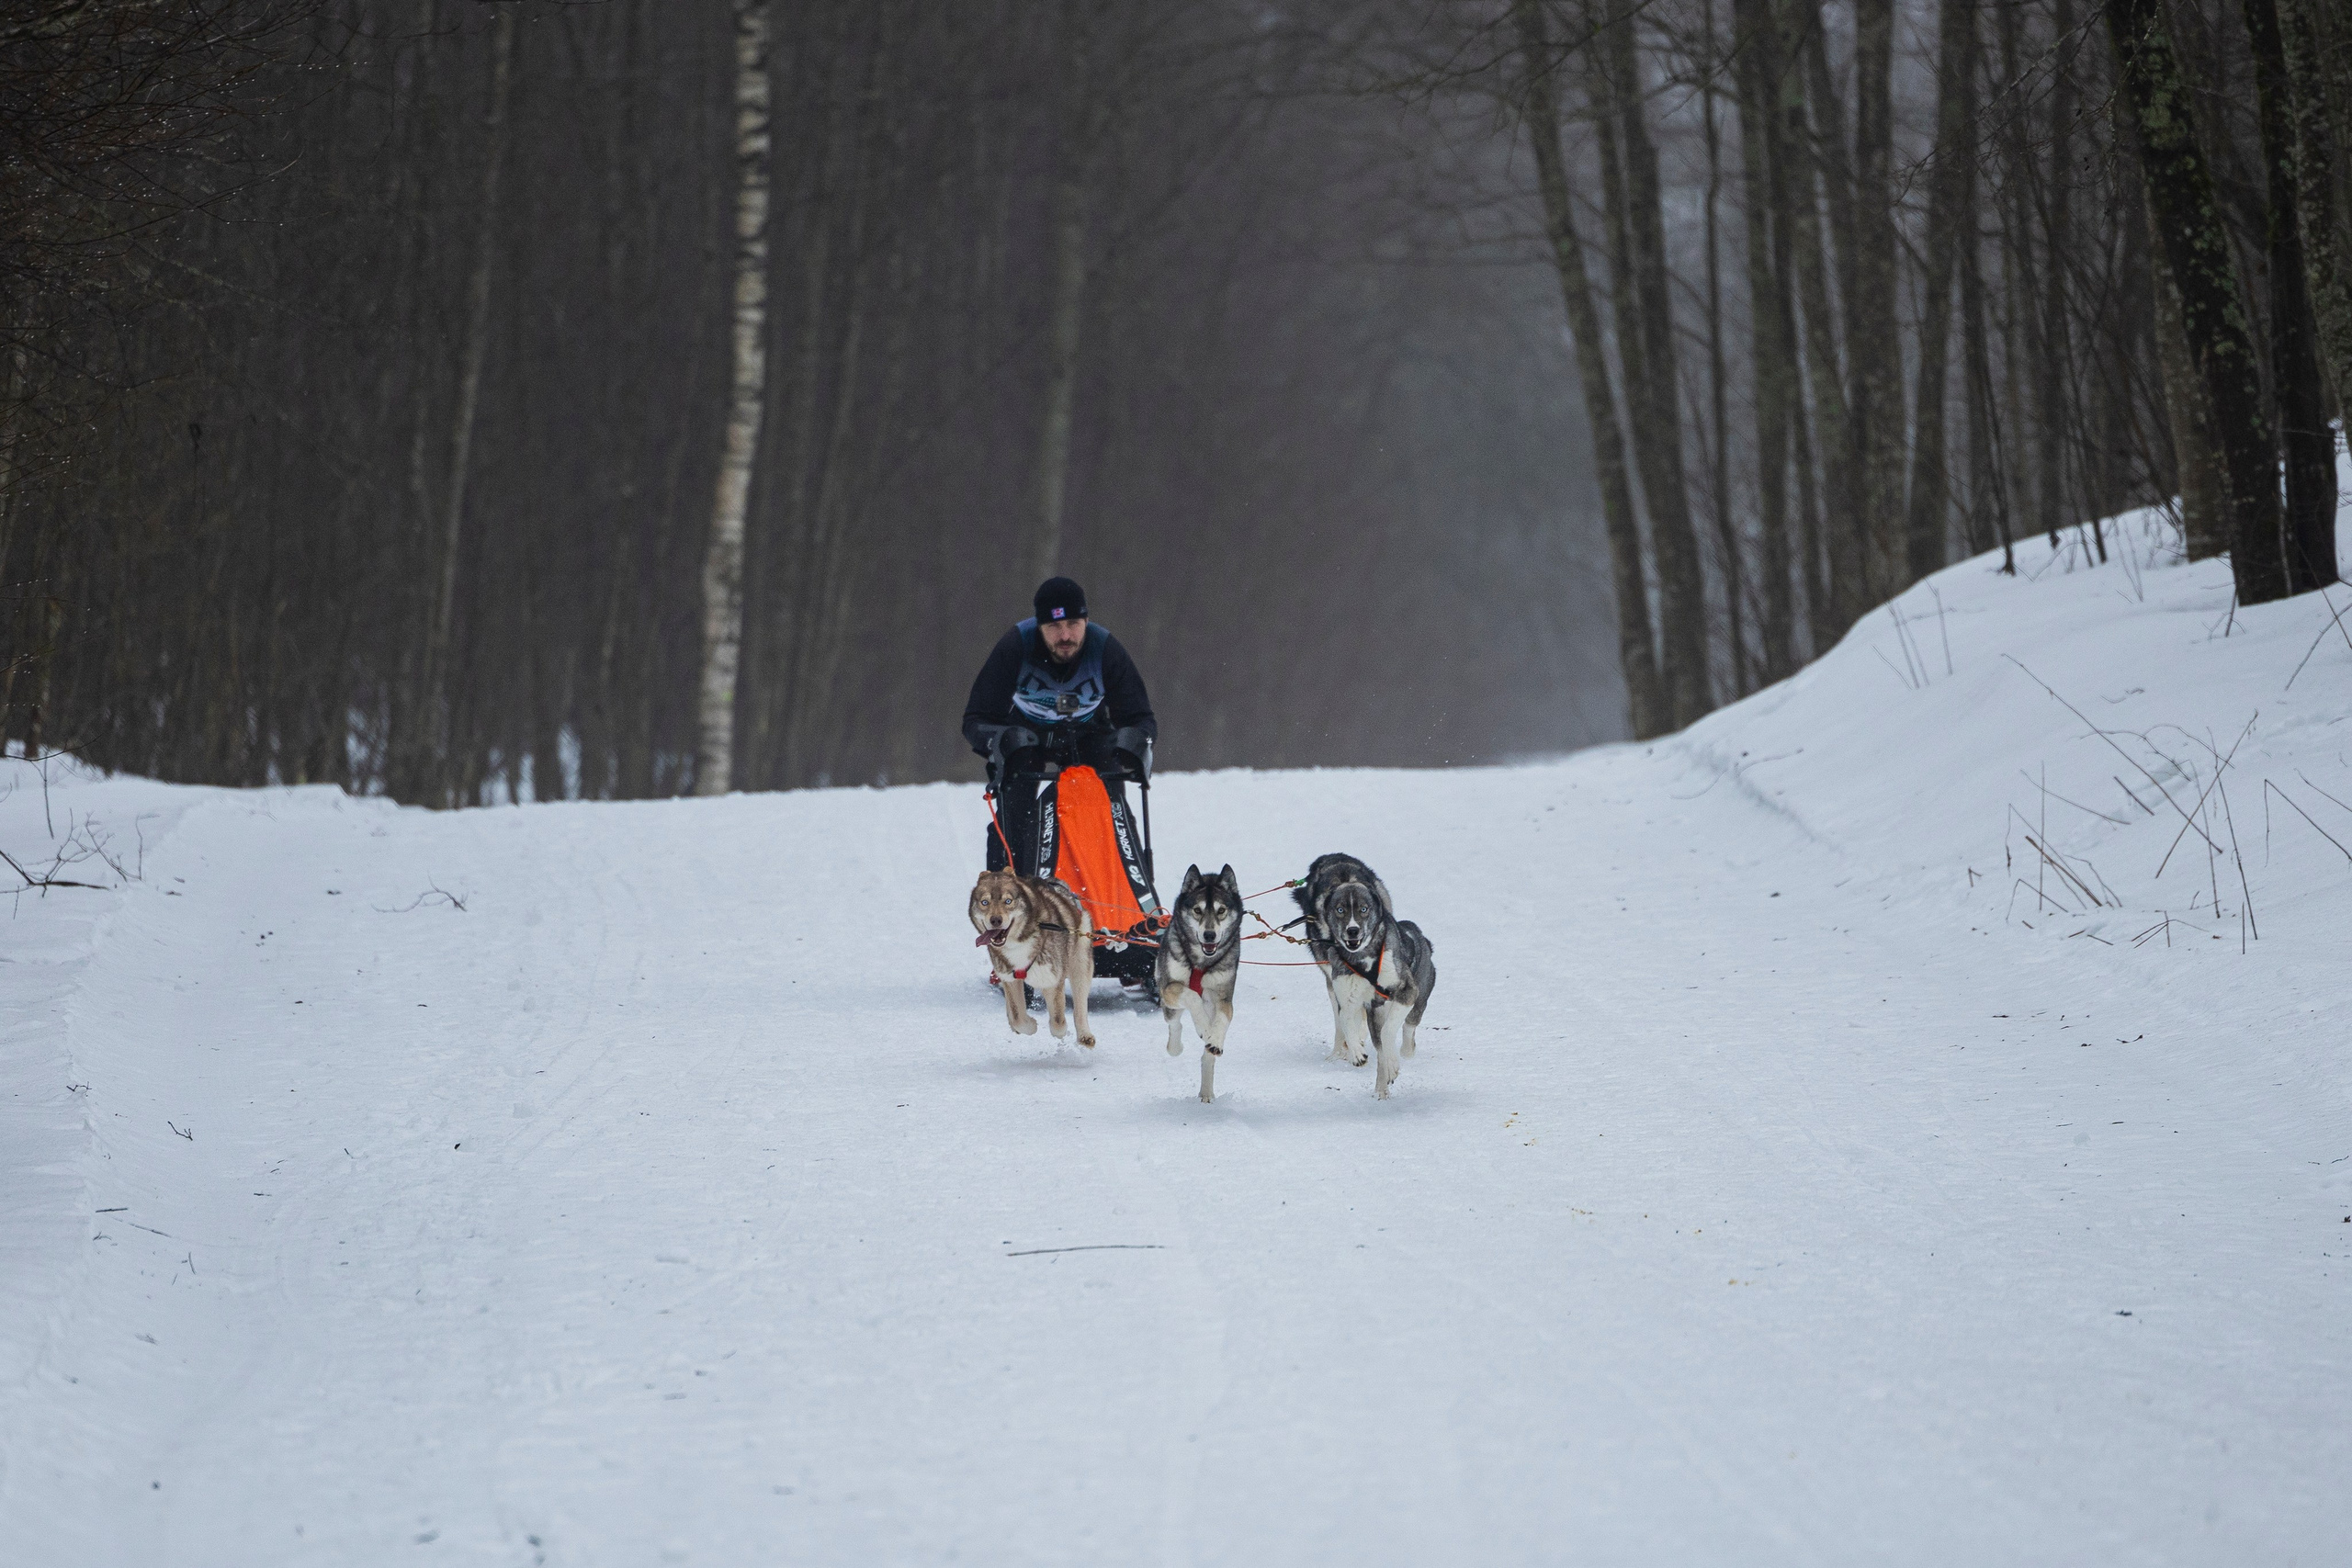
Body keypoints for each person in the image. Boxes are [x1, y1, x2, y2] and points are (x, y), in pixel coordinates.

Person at [961, 575, 1156, 883]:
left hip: (1090, 728)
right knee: (1014, 811)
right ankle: (1007, 896)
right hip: (1027, 730)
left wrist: (1132, 745)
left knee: (1112, 809)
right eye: (1053, 627)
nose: (1065, 635)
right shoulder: (1015, 646)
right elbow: (977, 719)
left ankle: (1126, 897)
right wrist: (999, 743)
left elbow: (1141, 718)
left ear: (1086, 621)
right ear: (1038, 627)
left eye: (1073, 624)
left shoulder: (1105, 649)